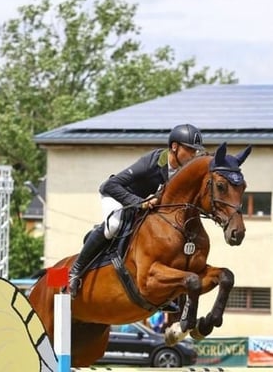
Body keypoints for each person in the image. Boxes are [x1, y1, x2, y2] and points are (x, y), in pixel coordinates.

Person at [67, 123, 206, 299]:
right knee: (114, 226)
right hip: (117, 196)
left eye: (196, 151)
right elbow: (112, 185)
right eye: (190, 150)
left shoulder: (181, 172)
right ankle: (75, 271)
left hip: (143, 205)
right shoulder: (151, 163)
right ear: (174, 147)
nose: (193, 155)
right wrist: (138, 202)